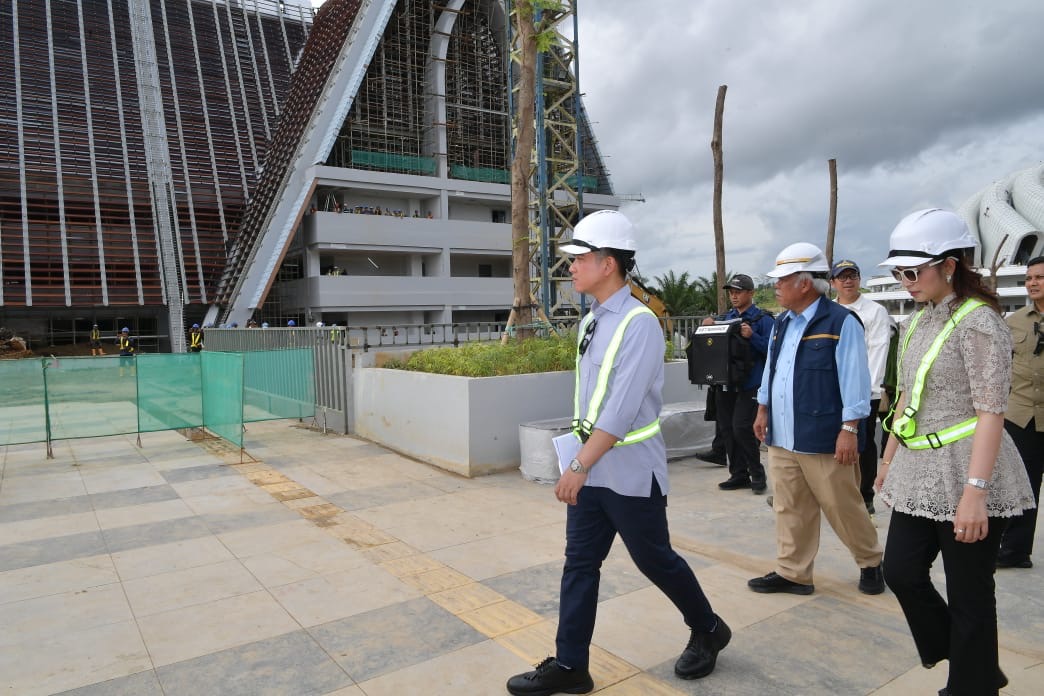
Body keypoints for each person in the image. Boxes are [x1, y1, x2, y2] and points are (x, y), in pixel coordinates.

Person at [506, 211, 730, 696]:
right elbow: (591, 399)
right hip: (593, 468)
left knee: (657, 561)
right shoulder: (593, 320)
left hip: (628, 472)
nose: (570, 267)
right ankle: (571, 667)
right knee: (579, 564)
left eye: (579, 259)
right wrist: (582, 460)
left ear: (608, 264)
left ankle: (709, 628)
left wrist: (578, 465)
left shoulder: (639, 324)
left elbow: (622, 409)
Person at [875, 209, 1035, 696]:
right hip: (921, 466)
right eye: (898, 272)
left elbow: (991, 411)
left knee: (970, 595)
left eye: (912, 271)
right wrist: (887, 460)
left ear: (948, 264)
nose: (904, 281)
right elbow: (906, 396)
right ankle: (977, 663)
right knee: (900, 571)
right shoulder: (918, 319)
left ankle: (971, 685)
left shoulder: (980, 321)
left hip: (972, 467)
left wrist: (975, 493)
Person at [749, 242, 884, 596]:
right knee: (790, 506)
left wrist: (849, 429)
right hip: (783, 435)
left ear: (805, 283)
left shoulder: (841, 322)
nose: (776, 286)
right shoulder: (781, 323)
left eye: (782, 280)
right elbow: (772, 370)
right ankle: (793, 572)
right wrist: (763, 409)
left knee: (843, 506)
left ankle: (870, 561)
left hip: (822, 434)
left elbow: (856, 379)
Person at [830, 260, 895, 514]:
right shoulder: (828, 311)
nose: (848, 281)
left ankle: (865, 494)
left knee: (863, 443)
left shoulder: (874, 311)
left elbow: (878, 351)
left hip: (864, 391)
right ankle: (833, 493)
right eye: (842, 277)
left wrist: (866, 392)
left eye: (853, 275)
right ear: (833, 282)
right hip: (832, 390)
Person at [701, 274, 774, 493]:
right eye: (731, 292)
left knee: (742, 427)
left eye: (738, 291)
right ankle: (738, 474)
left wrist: (753, 336)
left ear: (751, 293)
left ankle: (757, 473)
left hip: (751, 383)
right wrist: (706, 328)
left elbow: (773, 352)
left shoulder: (764, 319)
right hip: (726, 383)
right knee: (727, 429)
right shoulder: (725, 318)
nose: (734, 295)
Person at [997, 255, 1044, 569]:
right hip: (1021, 413)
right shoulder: (1013, 322)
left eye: (1039, 277)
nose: (1032, 283)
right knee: (1023, 485)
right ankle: (1015, 551)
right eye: (1029, 278)